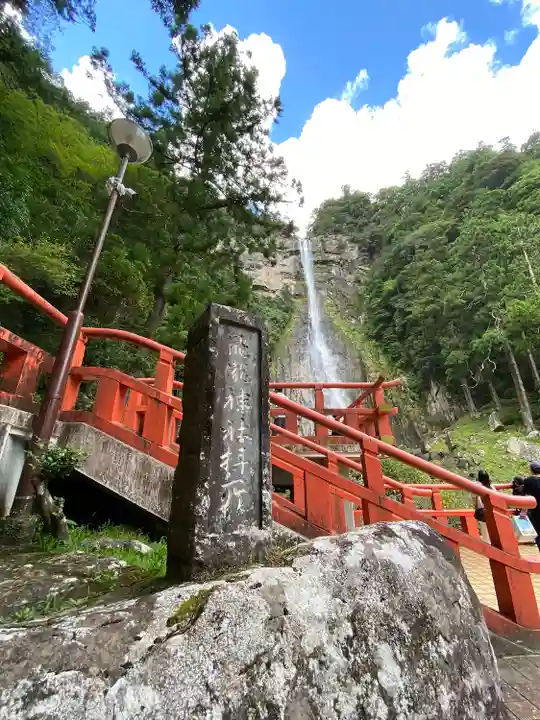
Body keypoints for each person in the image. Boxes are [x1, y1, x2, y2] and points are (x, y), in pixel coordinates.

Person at [512, 462, 540, 550]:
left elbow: (527, 497)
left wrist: (523, 512)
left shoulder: (530, 480)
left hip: (536, 512)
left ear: (531, 470)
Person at [474, 469, 492, 542]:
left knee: (485, 530)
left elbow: (474, 498)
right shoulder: (491, 487)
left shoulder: (477, 487)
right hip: (492, 510)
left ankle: (488, 544)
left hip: (482, 510)